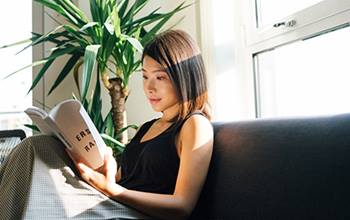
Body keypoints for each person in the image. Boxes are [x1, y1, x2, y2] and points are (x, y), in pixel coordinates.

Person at [0, 29, 213, 220]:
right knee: (36, 146)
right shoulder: (147, 128)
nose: (149, 86)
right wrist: (107, 172)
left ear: (185, 77)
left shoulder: (195, 125)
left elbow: (183, 206)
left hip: (134, 213)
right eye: (145, 76)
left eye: (160, 77)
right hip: (113, 202)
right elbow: (119, 179)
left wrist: (112, 190)